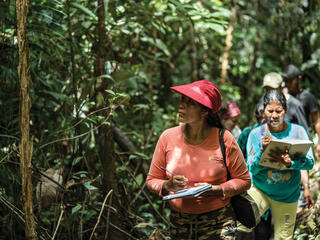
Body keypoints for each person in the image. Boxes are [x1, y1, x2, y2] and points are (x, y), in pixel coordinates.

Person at [146, 80, 251, 240]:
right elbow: (152, 180)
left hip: (219, 222)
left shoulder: (224, 139)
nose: (181, 105)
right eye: (182, 100)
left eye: (190, 103)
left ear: (204, 112)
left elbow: (244, 180)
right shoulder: (167, 137)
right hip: (179, 223)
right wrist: (167, 185)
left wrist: (217, 190)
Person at [238, 90, 314, 239]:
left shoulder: (298, 131)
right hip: (260, 190)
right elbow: (251, 167)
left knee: (283, 237)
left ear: (285, 110)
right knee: (241, 225)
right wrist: (262, 151)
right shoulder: (256, 134)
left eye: (278, 111)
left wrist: (291, 163)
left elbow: (310, 162)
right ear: (264, 110)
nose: (274, 115)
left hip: (287, 195)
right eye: (270, 111)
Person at [262, 72, 314, 209]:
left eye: (272, 89)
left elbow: (304, 145)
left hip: (292, 175)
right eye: (267, 90)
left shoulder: (295, 105)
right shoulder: (264, 105)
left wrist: (306, 185)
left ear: (282, 87)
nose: (269, 92)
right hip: (269, 181)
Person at [282, 64, 320, 157]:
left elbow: (317, 121)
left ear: (299, 79)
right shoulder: (283, 97)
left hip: (302, 139)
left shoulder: (307, 97)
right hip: (285, 140)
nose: (288, 84)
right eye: (286, 81)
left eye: (290, 81)